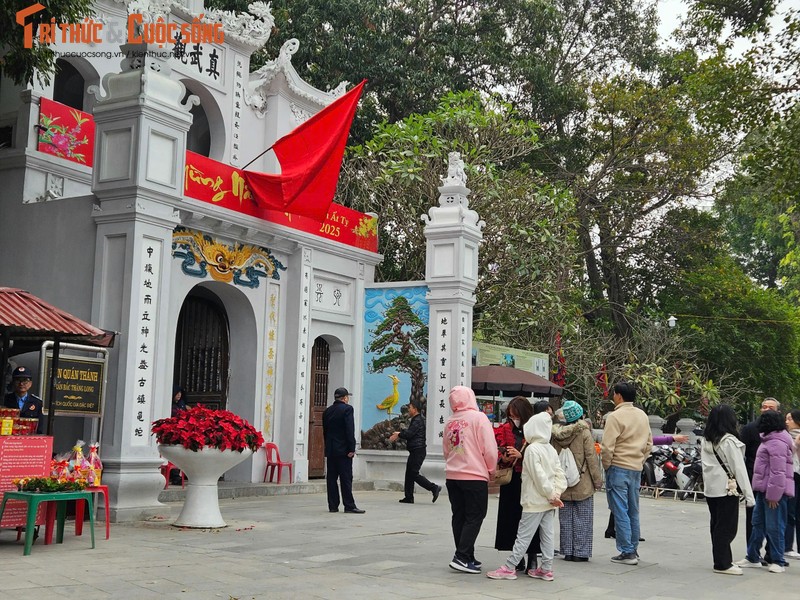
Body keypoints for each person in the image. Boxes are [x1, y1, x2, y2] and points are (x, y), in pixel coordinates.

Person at [486, 411, 567, 581]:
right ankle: (546, 568)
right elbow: (559, 474)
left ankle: (509, 567)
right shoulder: (550, 449)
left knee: (523, 535)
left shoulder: (532, 449)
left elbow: (538, 477)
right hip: (549, 501)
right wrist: (556, 493)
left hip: (534, 500)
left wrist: (551, 494)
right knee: (547, 535)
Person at [443, 385, 498, 574]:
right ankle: (461, 556)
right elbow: (489, 447)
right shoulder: (479, 418)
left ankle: (467, 555)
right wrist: (491, 469)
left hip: (452, 475)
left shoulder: (450, 421)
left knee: (459, 516)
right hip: (474, 475)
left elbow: (446, 450)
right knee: (475, 516)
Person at [601, 381, 652, 566]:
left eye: (614, 394)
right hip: (635, 468)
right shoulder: (642, 416)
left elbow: (607, 447)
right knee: (633, 510)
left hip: (618, 467)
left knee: (620, 509)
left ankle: (626, 551)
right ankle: (633, 548)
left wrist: (607, 465)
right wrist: (639, 459)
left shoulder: (615, 417)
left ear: (619, 396)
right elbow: (649, 444)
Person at [737, 410, 795, 573]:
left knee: (774, 526)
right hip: (765, 490)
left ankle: (778, 560)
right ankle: (752, 556)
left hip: (774, 493)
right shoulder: (771, 439)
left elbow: (778, 471)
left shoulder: (776, 442)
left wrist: (774, 495)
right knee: (758, 524)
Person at [700, 404, 755, 576]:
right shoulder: (729, 441)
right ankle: (722, 563)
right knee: (727, 527)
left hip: (711, 489)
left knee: (716, 525)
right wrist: (749, 495)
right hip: (727, 488)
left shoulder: (706, 440)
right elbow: (739, 469)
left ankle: (722, 559)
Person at [604, 432, 689, 539]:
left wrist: (671, 438)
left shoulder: (631, 431)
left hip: (627, 469)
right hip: (624, 469)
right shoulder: (625, 431)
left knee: (623, 501)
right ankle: (628, 536)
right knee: (627, 502)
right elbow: (650, 440)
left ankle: (613, 530)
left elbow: (650, 440)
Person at [551, 400, 603, 562]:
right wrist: (597, 481)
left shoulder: (555, 434)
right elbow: (591, 459)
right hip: (583, 482)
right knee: (583, 518)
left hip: (563, 483)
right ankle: (580, 552)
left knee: (566, 519)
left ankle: (567, 550)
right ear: (580, 415)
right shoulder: (584, 432)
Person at [493, 396, 537, 571]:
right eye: (511, 416)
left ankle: (533, 555)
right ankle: (516, 557)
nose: (514, 419)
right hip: (511, 481)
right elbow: (498, 450)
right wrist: (504, 457)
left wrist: (522, 456)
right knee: (511, 519)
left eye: (516, 415)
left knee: (531, 518)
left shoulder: (534, 430)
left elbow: (542, 453)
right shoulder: (504, 429)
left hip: (530, 480)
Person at [741, 396, 781, 559]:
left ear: (777, 412)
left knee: (774, 520)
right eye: (763, 407)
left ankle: (772, 555)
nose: (765, 409)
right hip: (753, 479)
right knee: (753, 519)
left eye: (770, 407)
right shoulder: (750, 429)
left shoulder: (781, 432)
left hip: (775, 483)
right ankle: (752, 553)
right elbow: (742, 454)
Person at [389, 399, 441, 503]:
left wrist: (399, 434)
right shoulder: (416, 419)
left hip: (418, 450)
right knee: (409, 473)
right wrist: (400, 433)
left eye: (410, 408)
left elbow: (409, 434)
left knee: (413, 473)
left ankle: (433, 488)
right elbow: (410, 433)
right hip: (415, 450)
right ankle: (409, 497)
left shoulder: (418, 420)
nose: (408, 409)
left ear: (415, 409)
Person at [322, 387, 365, 514]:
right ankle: (349, 505)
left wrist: (328, 447)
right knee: (346, 479)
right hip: (344, 450)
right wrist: (352, 448)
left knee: (331, 479)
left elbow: (325, 432)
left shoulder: (327, 411)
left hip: (331, 450)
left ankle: (333, 505)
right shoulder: (347, 409)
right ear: (345, 398)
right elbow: (349, 429)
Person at [3, 366, 43, 434]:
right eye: (18, 380)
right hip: (8, 440)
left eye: (25, 380)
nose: (21, 384)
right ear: (13, 382)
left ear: (30, 383)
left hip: (28, 440)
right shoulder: (5, 400)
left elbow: (39, 429)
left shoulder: (37, 403)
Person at [786, 410, 800, 559]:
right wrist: (795, 444)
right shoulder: (786, 437)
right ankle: (787, 546)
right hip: (791, 475)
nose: (787, 421)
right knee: (790, 512)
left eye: (790, 419)